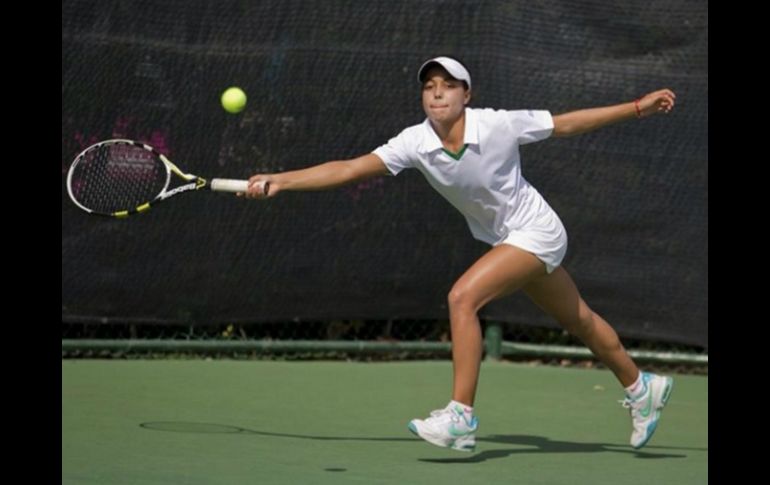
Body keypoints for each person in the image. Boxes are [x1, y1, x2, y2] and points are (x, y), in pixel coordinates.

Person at [242, 56, 676, 452]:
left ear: (466, 95)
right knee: (578, 319)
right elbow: (351, 168)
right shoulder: (414, 141)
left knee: (462, 298)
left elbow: (565, 125)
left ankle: (461, 417)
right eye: (429, 86)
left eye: (448, 86)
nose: (437, 93)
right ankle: (641, 387)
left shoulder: (498, 125)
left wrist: (637, 107)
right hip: (507, 238)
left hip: (537, 231)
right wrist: (282, 180)